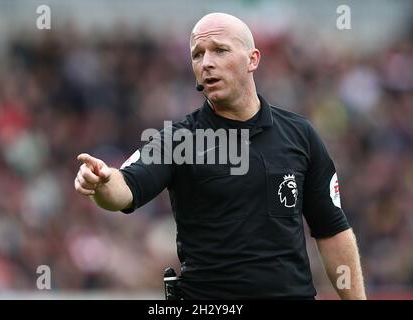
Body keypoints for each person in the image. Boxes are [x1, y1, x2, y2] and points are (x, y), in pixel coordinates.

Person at [74, 12, 366, 299]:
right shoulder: (179, 139)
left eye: (220, 50)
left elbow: (332, 231)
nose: (207, 63)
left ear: (253, 59)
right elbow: (124, 188)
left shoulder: (300, 135)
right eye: (198, 54)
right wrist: (102, 182)